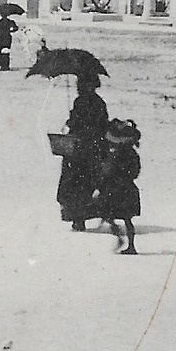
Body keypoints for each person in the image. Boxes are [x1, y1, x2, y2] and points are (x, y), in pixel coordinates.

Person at [57, 74, 109, 230]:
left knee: (74, 183)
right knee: (86, 183)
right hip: (93, 148)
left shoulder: (81, 102)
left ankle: (76, 217)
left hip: (79, 148)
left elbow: (78, 122)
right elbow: (103, 124)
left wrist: (71, 120)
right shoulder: (99, 103)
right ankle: (81, 216)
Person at [95, 118, 143, 254]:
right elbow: (135, 171)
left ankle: (120, 238)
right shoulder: (132, 154)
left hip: (114, 188)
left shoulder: (116, 154)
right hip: (128, 188)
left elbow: (108, 170)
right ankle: (131, 245)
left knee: (107, 213)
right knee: (127, 219)